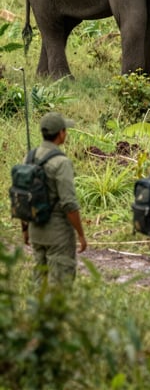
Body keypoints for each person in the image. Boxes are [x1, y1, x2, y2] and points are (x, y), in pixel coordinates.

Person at [22, 111, 87, 287]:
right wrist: (81, 234)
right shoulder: (61, 162)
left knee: (40, 284)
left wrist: (25, 229)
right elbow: (69, 204)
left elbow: (23, 197)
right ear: (61, 133)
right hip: (58, 234)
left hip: (36, 231)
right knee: (60, 287)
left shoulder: (29, 157)